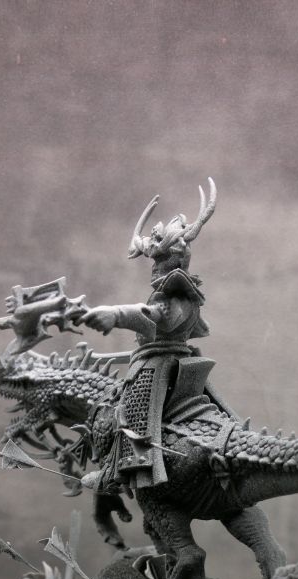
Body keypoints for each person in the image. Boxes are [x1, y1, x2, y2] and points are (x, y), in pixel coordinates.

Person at [81, 179, 223, 493]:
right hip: (164, 359)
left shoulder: (176, 297)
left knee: (129, 407)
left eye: (157, 256)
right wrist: (103, 357)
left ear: (171, 256)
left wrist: (116, 314)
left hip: (160, 369)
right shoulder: (172, 293)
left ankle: (119, 473)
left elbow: (155, 316)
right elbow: (151, 341)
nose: (152, 263)